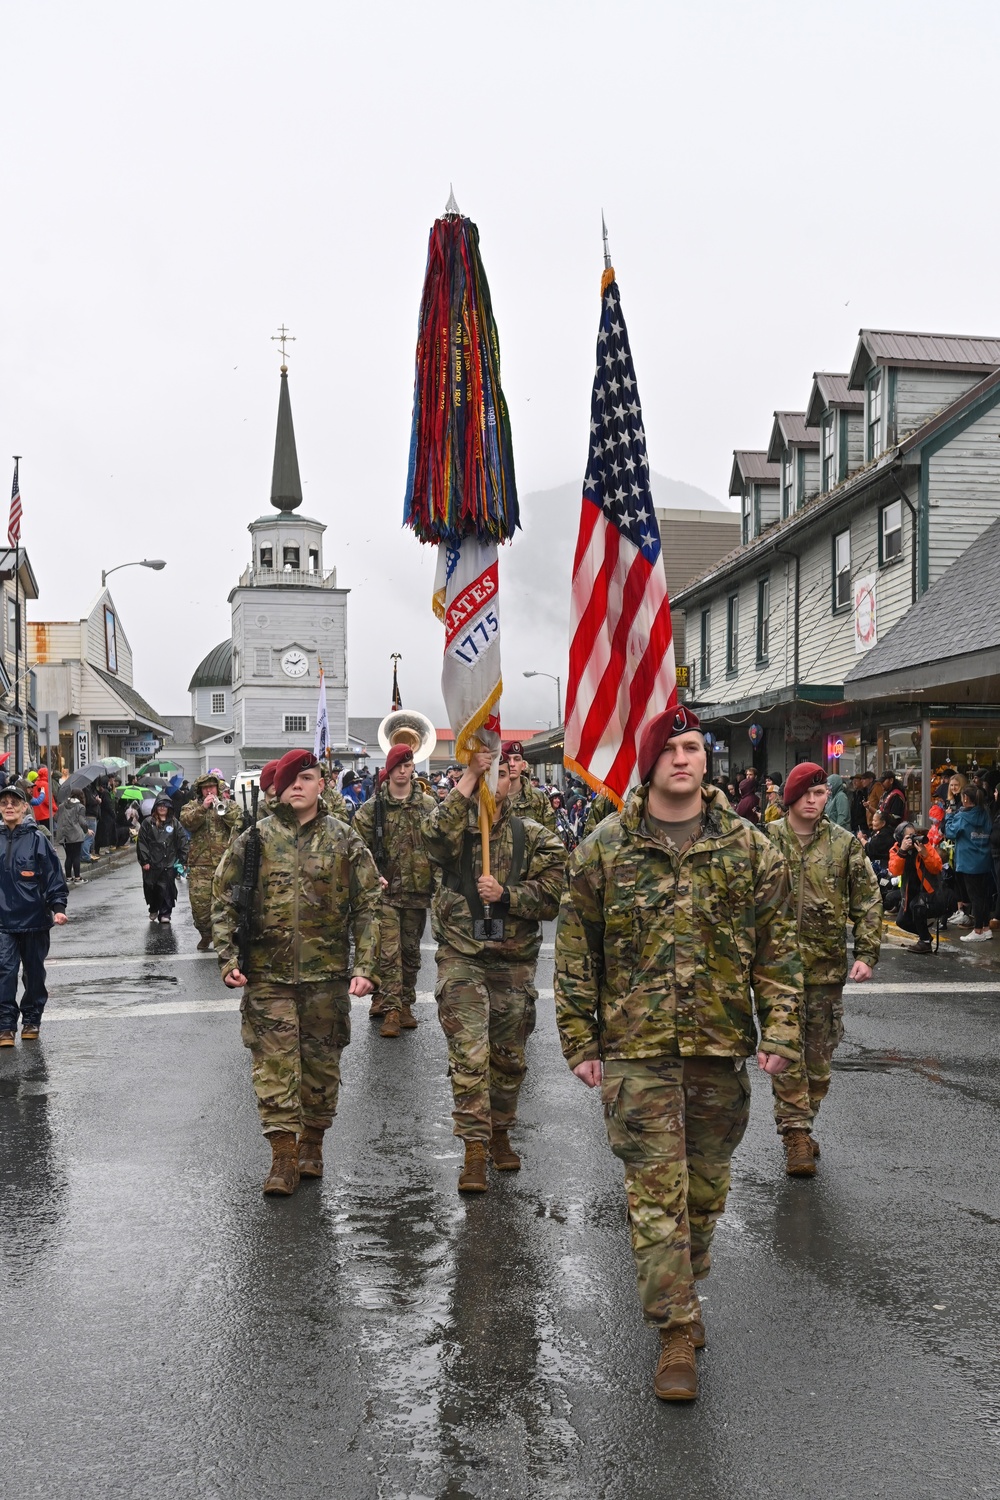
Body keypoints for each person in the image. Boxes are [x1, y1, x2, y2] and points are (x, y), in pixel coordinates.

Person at [554, 706, 802, 1401]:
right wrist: (580, 1038)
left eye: (693, 747)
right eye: (670, 748)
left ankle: (682, 1288)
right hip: (636, 1051)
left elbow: (779, 948)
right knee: (656, 1197)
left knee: (703, 1194)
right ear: (648, 761)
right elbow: (577, 953)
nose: (684, 759)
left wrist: (781, 1030)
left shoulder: (750, 849)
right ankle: (673, 1332)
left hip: (719, 1049)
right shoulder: (605, 847)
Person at [212, 749, 380, 1195]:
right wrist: (228, 959)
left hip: (326, 976)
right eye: (292, 780)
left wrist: (365, 966)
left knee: (321, 1069)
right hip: (268, 974)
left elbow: (367, 907)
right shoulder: (254, 840)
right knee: (274, 1066)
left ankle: (312, 1143)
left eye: (308, 777)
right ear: (279, 789)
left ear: (322, 783)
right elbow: (224, 900)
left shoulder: (345, 840)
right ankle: (282, 1158)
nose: (300, 786)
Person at [422, 746, 565, 1192]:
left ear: (513, 782)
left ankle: (500, 1131)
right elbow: (430, 834)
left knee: (508, 1060)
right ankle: (474, 1150)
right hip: (462, 956)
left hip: (513, 959)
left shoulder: (536, 836)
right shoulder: (455, 832)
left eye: (499, 773)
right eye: (487, 773)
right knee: (469, 1055)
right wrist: (468, 778)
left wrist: (506, 894)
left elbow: (553, 897)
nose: (493, 780)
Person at [764, 763, 881, 1175]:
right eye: (807, 794)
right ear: (790, 798)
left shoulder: (844, 845)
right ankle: (795, 1135)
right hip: (776, 971)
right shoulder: (766, 841)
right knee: (786, 1052)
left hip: (825, 971)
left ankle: (803, 1119)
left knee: (818, 1061)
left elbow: (867, 901)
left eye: (820, 794)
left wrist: (867, 953)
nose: (815, 801)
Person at [353, 744, 437, 1037]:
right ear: (388, 770)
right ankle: (390, 1009)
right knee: (389, 953)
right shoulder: (371, 809)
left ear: (413, 767)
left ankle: (405, 1004)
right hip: (385, 894)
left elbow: (441, 844)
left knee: (411, 953)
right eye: (397, 766)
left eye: (408, 764)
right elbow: (358, 851)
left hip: (417, 892)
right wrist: (372, 875)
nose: (403, 770)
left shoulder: (428, 805)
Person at [0, 783, 69, 1046]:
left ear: (24, 807)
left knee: (34, 974)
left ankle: (31, 1020)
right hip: (3, 922)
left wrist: (58, 908)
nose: (9, 806)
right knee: (4, 972)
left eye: (14, 802)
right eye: (4, 802)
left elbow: (53, 877)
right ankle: (5, 1026)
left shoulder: (37, 838)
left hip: (34, 920)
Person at [179, 773, 243, 949]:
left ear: (217, 788)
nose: (209, 790)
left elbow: (238, 822)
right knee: (200, 905)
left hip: (225, 862)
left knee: (227, 902)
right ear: (200, 790)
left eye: (212, 787)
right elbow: (187, 822)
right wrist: (203, 808)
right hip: (201, 863)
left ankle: (224, 936)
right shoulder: (191, 807)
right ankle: (205, 934)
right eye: (205, 788)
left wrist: (222, 810)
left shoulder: (229, 805)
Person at [945, 786, 994, 942]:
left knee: (975, 898)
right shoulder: (985, 814)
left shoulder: (962, 817)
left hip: (968, 862)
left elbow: (950, 832)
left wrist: (949, 817)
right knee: (983, 896)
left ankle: (978, 931)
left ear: (966, 798)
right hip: (984, 860)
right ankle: (986, 928)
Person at [889, 824, 944, 953]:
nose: (913, 839)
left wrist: (924, 853)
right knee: (901, 921)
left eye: (914, 835)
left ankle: (924, 942)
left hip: (931, 892)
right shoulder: (896, 849)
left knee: (917, 905)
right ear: (900, 839)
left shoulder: (924, 845)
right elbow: (894, 871)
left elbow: (937, 867)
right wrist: (902, 851)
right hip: (910, 891)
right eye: (909, 837)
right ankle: (925, 935)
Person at [137, 794, 186, 923]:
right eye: (160, 805)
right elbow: (142, 842)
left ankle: (165, 913)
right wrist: (145, 860)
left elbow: (182, 841)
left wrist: (183, 860)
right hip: (152, 864)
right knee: (152, 888)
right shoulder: (148, 823)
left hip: (169, 863)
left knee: (167, 889)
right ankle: (153, 908)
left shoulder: (175, 823)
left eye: (165, 805)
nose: (163, 808)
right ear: (156, 807)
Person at [504, 740, 558, 831]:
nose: (512, 764)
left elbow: (552, 834)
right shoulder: (494, 798)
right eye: (508, 759)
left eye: (517, 759)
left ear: (523, 765)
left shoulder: (538, 797)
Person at [55, 791, 89, 884]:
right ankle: (77, 878)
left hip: (63, 835)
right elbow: (82, 822)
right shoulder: (80, 807)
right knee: (76, 856)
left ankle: (68, 878)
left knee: (68, 856)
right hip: (75, 834)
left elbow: (55, 817)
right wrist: (86, 830)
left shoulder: (62, 806)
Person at [29, 766, 53, 839]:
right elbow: (48, 800)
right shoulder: (46, 784)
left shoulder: (34, 784)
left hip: (36, 812)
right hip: (46, 813)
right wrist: (54, 809)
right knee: (47, 833)